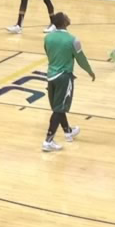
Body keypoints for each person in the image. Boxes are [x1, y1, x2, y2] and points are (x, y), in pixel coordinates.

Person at [43, 11, 96, 152]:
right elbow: (81, 59)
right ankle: (48, 141)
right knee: (59, 109)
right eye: (67, 16)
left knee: (58, 107)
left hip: (51, 75)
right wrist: (90, 71)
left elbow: (48, 54)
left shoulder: (48, 38)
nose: (69, 17)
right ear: (64, 22)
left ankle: (68, 132)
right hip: (64, 77)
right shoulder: (73, 40)